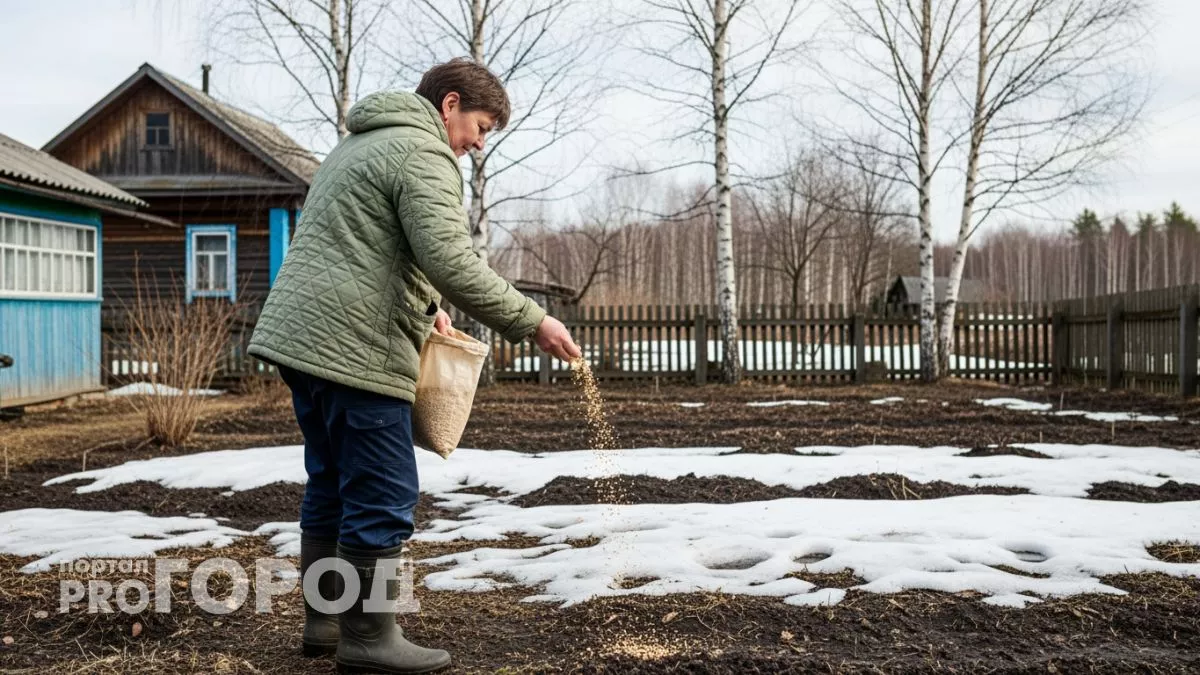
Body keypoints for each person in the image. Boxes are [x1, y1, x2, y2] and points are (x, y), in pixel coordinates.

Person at [248, 58, 582, 673]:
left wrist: (424, 305)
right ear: (449, 105)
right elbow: (451, 258)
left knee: (331, 483)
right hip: (354, 347)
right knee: (381, 490)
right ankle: (369, 638)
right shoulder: (424, 153)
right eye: (481, 126)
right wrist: (533, 320)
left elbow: (365, 245)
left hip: (301, 339)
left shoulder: (358, 145)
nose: (479, 143)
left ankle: (325, 622)